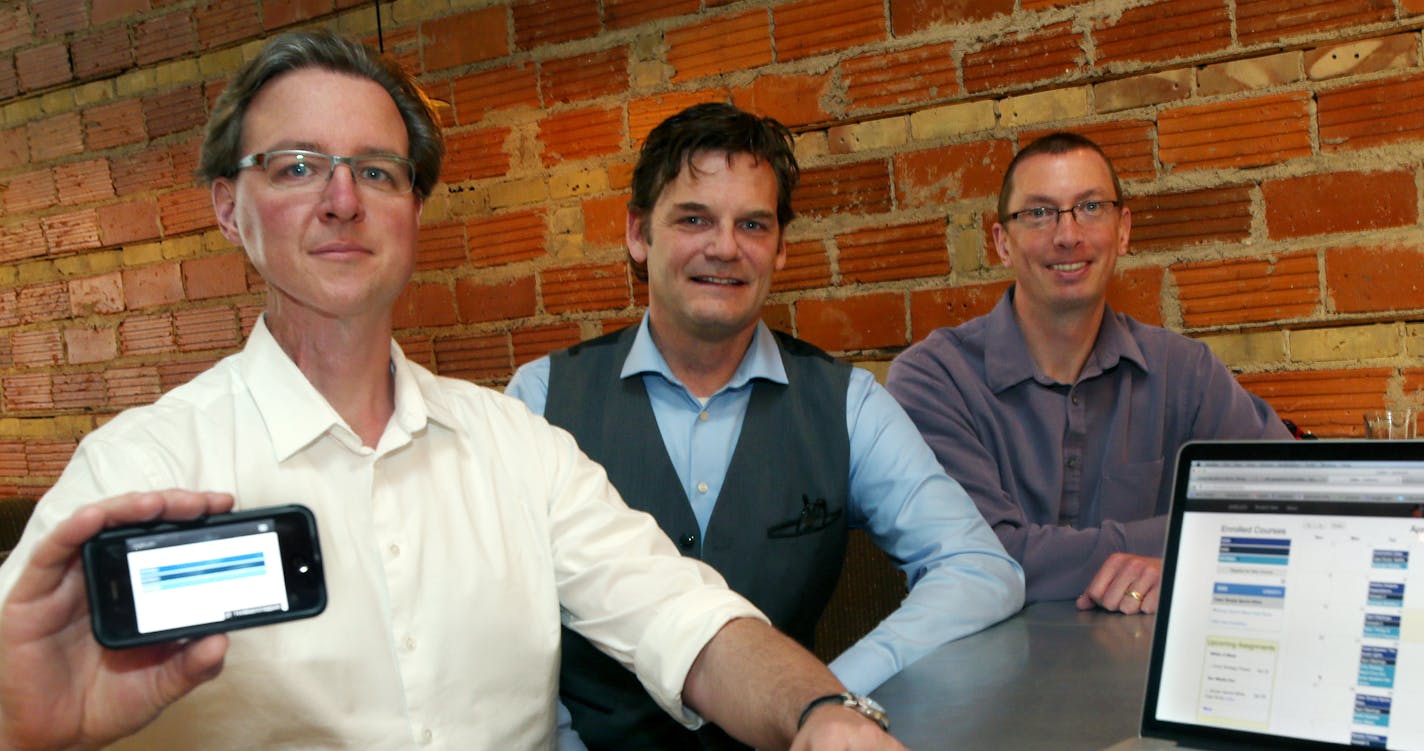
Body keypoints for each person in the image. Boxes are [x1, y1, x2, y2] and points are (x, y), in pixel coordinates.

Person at [0, 32, 908, 751]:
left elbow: (685, 618)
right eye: (296, 166)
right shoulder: (137, 470)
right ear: (228, 208)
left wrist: (819, 711)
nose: (343, 199)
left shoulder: (514, 443)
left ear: (414, 211)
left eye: (378, 170)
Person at [506, 102, 1025, 750]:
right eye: (694, 218)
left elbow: (979, 568)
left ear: (780, 248)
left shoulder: (847, 403)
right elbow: (506, 623)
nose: (725, 247)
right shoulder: (541, 397)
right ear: (639, 233)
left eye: (752, 224)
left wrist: (823, 699)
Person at [886, 132, 1291, 616]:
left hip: (1144, 677)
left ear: (1123, 230)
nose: (1068, 235)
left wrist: (1179, 563)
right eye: (1038, 213)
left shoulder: (1186, 373)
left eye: (1091, 207)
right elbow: (984, 559)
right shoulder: (934, 379)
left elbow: (1284, 510)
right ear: (1002, 243)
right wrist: (1190, 546)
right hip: (985, 680)